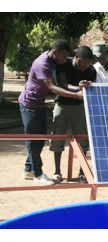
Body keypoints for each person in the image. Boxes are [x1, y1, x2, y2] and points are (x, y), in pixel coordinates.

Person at [18, 39, 85, 186]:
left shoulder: (54, 60)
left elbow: (63, 82)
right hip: (29, 105)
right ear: (54, 52)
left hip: (39, 104)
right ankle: (37, 174)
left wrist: (75, 88)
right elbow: (52, 88)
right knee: (33, 141)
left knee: (40, 139)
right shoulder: (43, 64)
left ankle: (28, 169)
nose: (63, 60)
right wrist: (76, 95)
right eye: (62, 57)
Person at [49, 46, 96, 183]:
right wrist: (77, 88)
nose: (85, 65)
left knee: (82, 138)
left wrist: (87, 85)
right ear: (76, 57)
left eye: (88, 63)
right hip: (62, 105)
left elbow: (91, 87)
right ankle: (57, 172)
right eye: (83, 62)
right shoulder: (64, 64)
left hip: (79, 107)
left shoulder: (91, 71)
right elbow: (62, 84)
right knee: (57, 136)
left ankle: (83, 171)